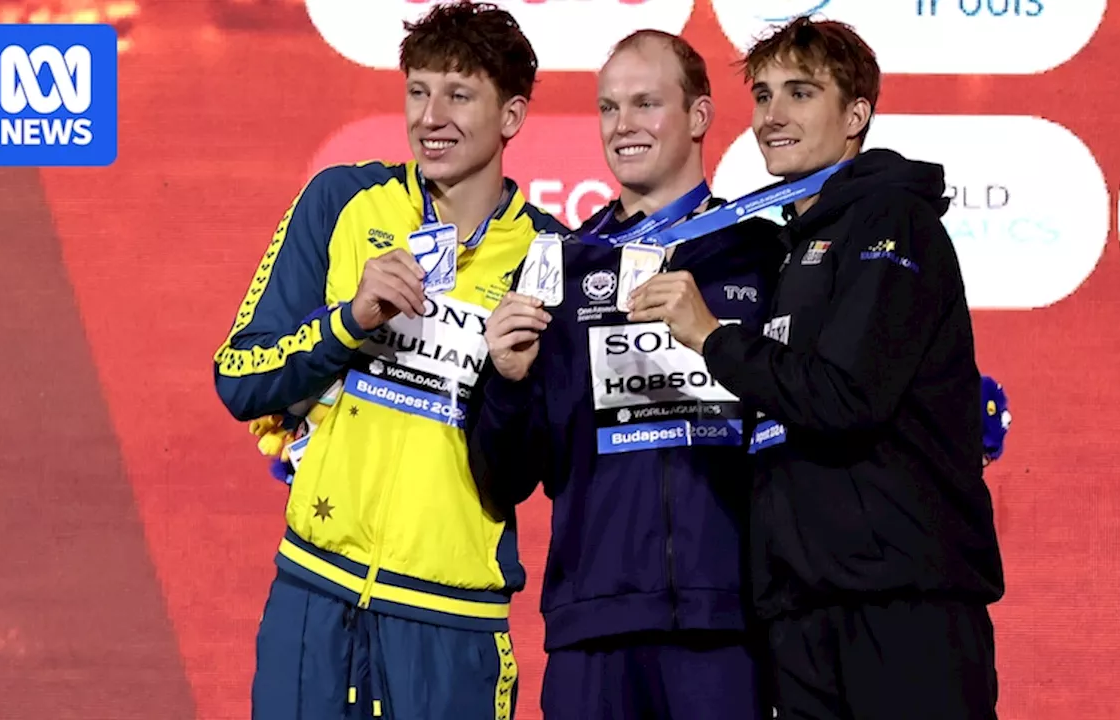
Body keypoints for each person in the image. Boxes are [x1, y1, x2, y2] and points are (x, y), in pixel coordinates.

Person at [625, 16, 1006, 720]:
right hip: (800, 609)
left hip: (901, 605)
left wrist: (711, 338)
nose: (772, 116)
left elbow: (846, 397)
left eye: (800, 94)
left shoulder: (893, 220)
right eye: (764, 96)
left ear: (856, 113)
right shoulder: (787, 246)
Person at [212, 3, 566, 718]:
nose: (430, 116)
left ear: (513, 116)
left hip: (452, 616)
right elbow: (241, 376)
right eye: (417, 91)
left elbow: (540, 468)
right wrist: (348, 323)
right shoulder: (341, 202)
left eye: (459, 95)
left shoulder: (549, 257)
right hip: (314, 595)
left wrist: (510, 379)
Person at [465, 30, 785, 720]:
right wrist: (507, 383)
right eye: (609, 108)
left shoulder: (760, 254)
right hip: (595, 626)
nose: (623, 126)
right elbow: (503, 477)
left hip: (727, 623)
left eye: (646, 103)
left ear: (699, 117)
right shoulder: (562, 268)